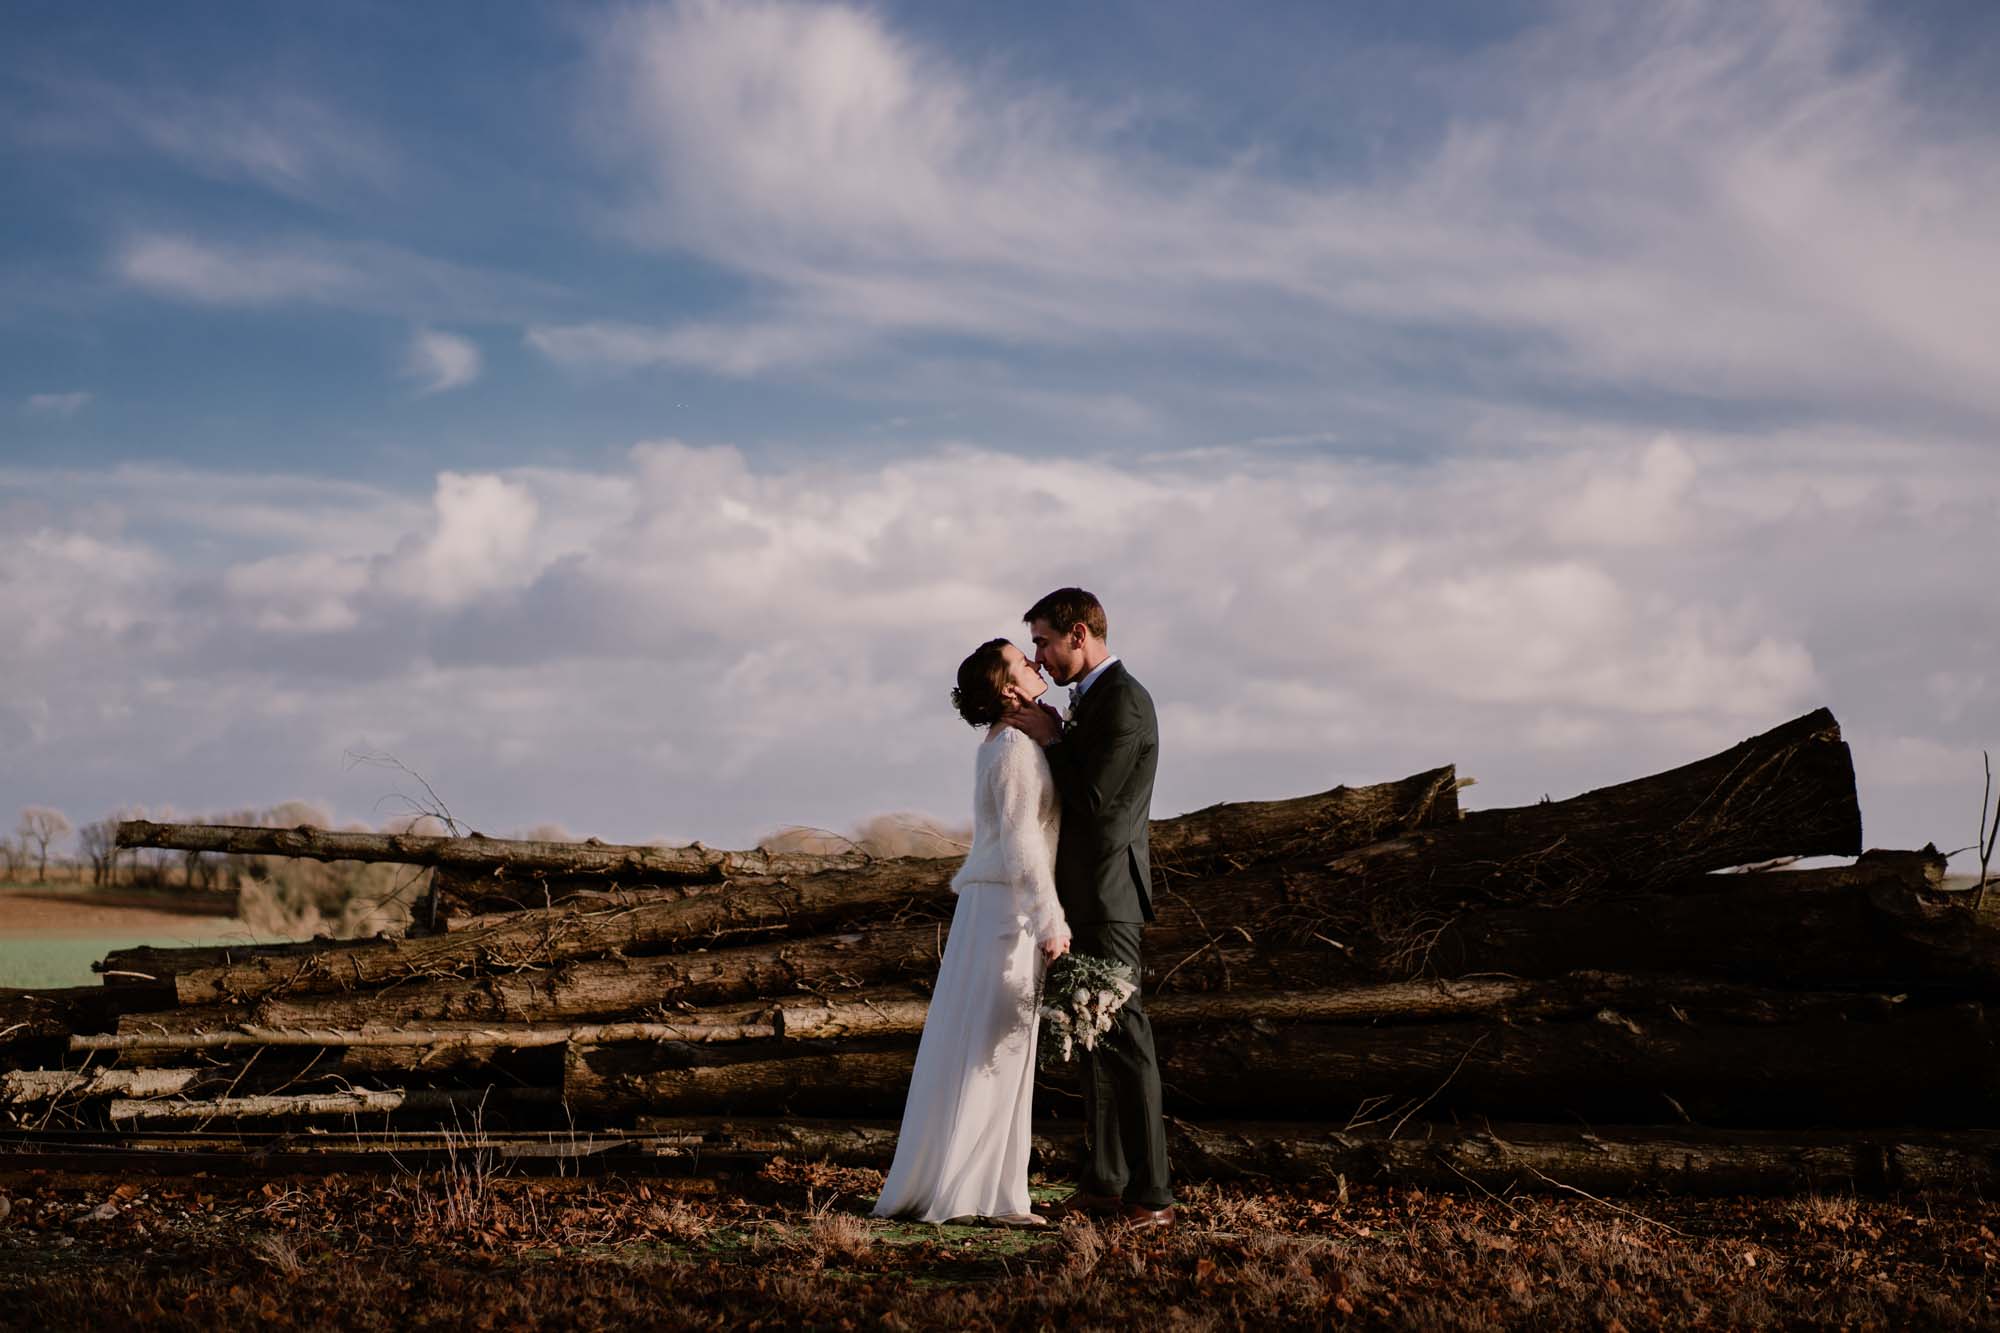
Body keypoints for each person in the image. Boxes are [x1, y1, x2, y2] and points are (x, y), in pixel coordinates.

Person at [872, 639, 1071, 1226]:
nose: (1035, 664)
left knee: (994, 1043)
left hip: (996, 906)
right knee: (993, 1044)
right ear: (1007, 688)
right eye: (1022, 661)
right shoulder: (1011, 747)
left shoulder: (1012, 740)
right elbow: (1021, 842)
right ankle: (970, 1192)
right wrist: (1050, 919)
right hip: (1005, 911)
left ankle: (992, 1189)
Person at [1002, 586, 1172, 1232]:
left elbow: (1096, 800)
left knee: (1127, 1036)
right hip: (1081, 895)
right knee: (1092, 1038)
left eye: (1044, 640)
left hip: (1109, 896)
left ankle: (1152, 1195)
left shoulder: (1124, 700)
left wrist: (1049, 736)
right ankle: (1103, 1181)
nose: (1039, 656)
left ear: (1079, 632)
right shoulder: (1090, 700)